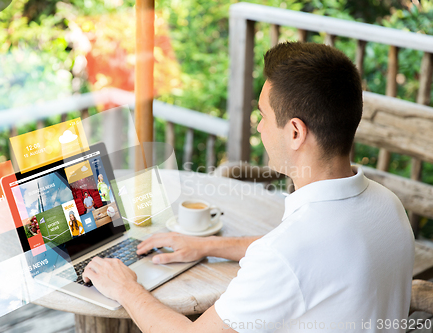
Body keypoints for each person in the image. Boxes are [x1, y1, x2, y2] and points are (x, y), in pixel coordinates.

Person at [82, 42, 414, 332]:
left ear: (295, 132)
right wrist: (206, 246)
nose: (259, 126)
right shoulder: (387, 206)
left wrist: (126, 288)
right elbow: (310, 256)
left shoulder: (289, 252)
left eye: (263, 115)